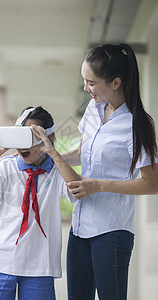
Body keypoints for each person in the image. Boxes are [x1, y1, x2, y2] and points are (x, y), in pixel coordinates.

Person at [61, 44, 158, 300]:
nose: (86, 88)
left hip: (112, 232)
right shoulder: (92, 110)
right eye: (84, 81)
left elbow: (151, 184)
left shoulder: (137, 125)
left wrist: (99, 185)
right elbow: (82, 154)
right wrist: (49, 154)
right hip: (80, 229)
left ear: (115, 82)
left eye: (91, 83)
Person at [0, 106, 80, 300]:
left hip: (39, 265)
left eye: (31, 137)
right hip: (1, 260)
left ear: (47, 138)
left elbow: (78, 191)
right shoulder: (5, 167)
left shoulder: (58, 171)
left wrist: (54, 155)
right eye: (19, 136)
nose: (23, 145)